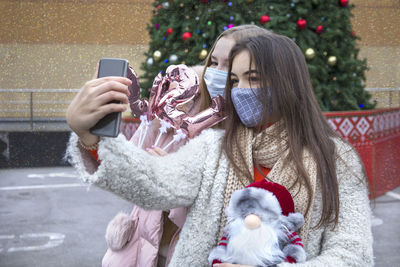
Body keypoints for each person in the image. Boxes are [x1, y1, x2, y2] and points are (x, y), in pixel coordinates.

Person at [66, 30, 373, 266]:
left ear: (287, 83)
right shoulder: (214, 148)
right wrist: (91, 136)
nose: (239, 90)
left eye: (253, 79)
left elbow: (351, 253)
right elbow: (152, 182)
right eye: (235, 81)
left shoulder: (337, 160)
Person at [66, 25, 270, 267]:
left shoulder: (259, 137)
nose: (217, 72)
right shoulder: (175, 106)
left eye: (230, 66)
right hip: (139, 251)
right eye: (214, 62)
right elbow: (124, 165)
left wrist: (174, 185)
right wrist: (90, 134)